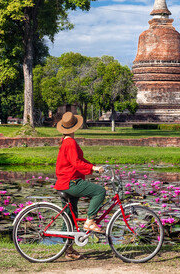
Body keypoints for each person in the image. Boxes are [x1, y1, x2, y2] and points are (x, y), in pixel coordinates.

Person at [54, 111, 106, 259]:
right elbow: (76, 163)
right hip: (71, 182)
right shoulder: (70, 142)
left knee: (70, 216)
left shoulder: (65, 141)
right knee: (99, 192)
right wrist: (93, 169)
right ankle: (90, 221)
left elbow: (79, 160)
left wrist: (93, 166)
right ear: (74, 127)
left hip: (64, 182)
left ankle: (68, 250)